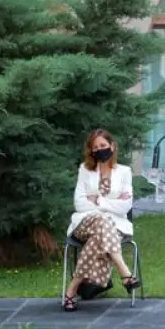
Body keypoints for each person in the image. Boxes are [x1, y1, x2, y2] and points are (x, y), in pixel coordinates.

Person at [62, 129, 139, 311]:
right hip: (85, 223)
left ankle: (72, 289)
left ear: (112, 146)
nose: (99, 149)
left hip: (114, 227)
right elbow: (79, 203)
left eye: (103, 145)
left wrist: (97, 199)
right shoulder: (85, 170)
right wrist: (111, 203)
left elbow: (125, 206)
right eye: (95, 147)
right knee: (102, 220)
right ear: (91, 151)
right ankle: (124, 272)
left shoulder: (124, 172)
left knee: (99, 235)